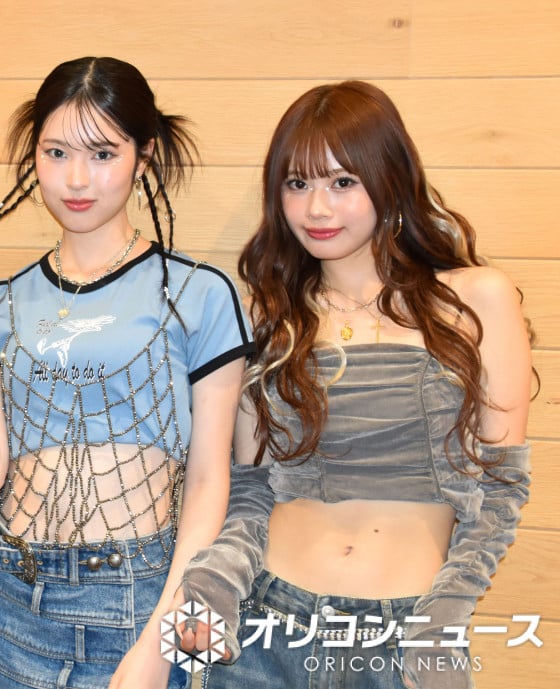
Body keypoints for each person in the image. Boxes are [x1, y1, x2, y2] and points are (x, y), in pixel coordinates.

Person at [178, 80, 533, 689]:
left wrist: (442, 621)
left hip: (405, 639)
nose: (317, 209)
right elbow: (253, 485)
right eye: (297, 184)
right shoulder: (269, 315)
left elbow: (500, 489)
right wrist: (211, 588)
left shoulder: (475, 299)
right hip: (266, 627)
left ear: (388, 180)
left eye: (342, 182)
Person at [0, 56, 254, 689]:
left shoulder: (200, 295)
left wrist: (164, 642)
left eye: (103, 154)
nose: (76, 179)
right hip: (0, 608)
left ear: (143, 156)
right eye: (56, 153)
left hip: (137, 603)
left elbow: (211, 480)